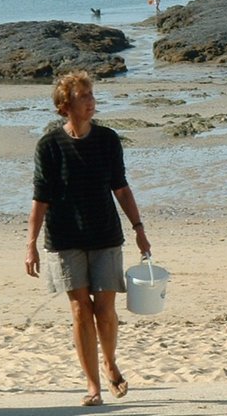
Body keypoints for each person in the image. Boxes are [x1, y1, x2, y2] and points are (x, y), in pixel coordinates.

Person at [25, 70, 151, 407]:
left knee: (105, 311)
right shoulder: (49, 146)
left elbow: (121, 189)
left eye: (92, 95)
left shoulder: (108, 139)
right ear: (65, 105)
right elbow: (40, 199)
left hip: (106, 235)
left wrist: (139, 229)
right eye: (84, 97)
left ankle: (110, 362)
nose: (91, 102)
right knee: (81, 311)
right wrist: (30, 245)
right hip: (64, 238)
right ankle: (93, 386)